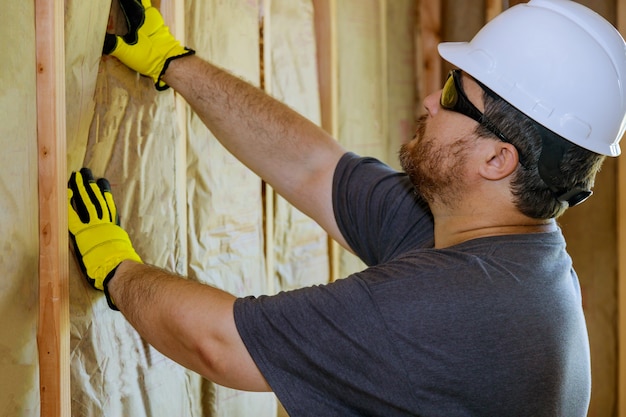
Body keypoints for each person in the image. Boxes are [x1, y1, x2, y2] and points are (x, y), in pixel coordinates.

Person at [67, 0, 626, 415]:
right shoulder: (498, 247)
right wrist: (174, 62)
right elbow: (314, 167)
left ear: (498, 159)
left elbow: (219, 342)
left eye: (456, 94)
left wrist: (117, 268)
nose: (431, 100)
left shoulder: (454, 309)